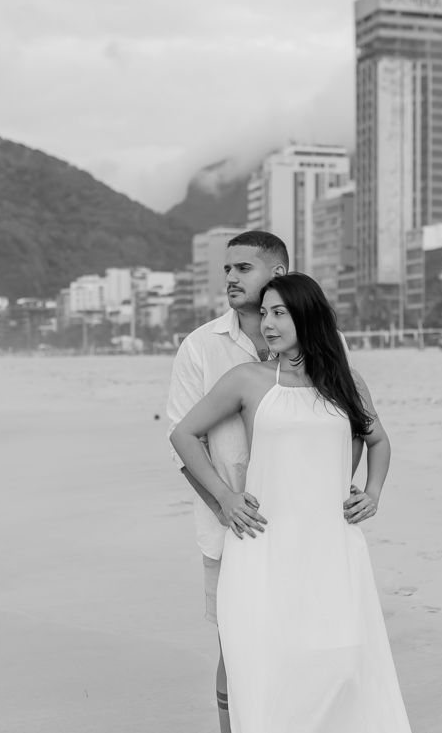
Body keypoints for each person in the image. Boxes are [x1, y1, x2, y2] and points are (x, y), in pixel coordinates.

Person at [170, 273, 410, 732]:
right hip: (263, 544)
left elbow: (377, 440)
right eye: (264, 313)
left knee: (341, 665)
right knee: (266, 668)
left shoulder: (344, 380)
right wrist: (225, 498)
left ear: (307, 316)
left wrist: (373, 493)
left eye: (280, 312)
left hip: (332, 547)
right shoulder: (247, 380)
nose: (268, 323)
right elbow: (183, 433)